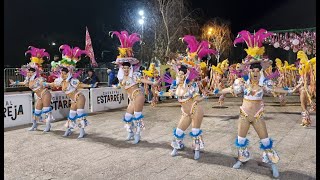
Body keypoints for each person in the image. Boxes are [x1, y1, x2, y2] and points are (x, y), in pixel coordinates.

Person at [214, 28, 293, 178]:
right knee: (240, 140)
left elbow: (276, 88)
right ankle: (241, 160)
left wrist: (288, 90)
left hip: (257, 116)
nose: (255, 73)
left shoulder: (264, 84)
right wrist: (219, 91)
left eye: (258, 71)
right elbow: (231, 88)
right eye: (253, 71)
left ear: (261, 72)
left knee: (266, 141)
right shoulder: (242, 83)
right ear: (249, 71)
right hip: (244, 115)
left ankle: (273, 165)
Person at [157, 35, 216, 160]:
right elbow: (170, 93)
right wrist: (160, 94)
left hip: (195, 109)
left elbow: (196, 98)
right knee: (179, 131)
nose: (181, 76)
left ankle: (197, 150)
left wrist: (204, 96)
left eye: (183, 74)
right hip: (185, 112)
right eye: (179, 74)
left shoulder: (191, 85)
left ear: (186, 75)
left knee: (195, 132)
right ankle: (176, 148)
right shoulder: (175, 84)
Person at [110, 30, 159, 144]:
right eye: (124, 68)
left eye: (127, 68)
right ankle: (131, 133)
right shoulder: (122, 78)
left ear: (130, 69)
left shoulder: (134, 75)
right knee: (127, 117)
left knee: (137, 116)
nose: (126, 70)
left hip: (138, 96)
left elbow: (142, 79)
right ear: (122, 69)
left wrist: (153, 83)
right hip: (131, 99)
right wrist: (115, 86)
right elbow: (120, 85)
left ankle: (138, 134)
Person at [45, 44, 97, 138]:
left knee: (80, 115)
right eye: (62, 73)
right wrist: (46, 84)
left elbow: (80, 84)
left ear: (68, 73)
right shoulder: (61, 81)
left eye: (65, 73)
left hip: (79, 97)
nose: (63, 75)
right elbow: (53, 84)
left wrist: (90, 85)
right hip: (73, 100)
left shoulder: (71, 80)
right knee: (71, 116)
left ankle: (82, 132)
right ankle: (68, 130)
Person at [9, 46, 53, 132]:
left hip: (45, 94)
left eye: (30, 72)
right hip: (39, 96)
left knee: (46, 111)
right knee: (36, 111)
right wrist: (15, 83)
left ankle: (48, 126)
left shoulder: (38, 78)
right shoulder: (28, 79)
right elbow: (24, 83)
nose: (28, 73)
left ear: (34, 72)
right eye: (28, 72)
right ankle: (34, 125)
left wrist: (44, 83)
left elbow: (44, 83)